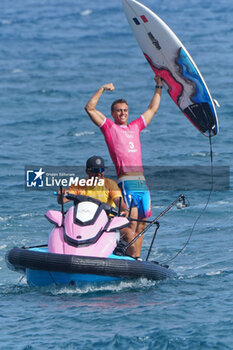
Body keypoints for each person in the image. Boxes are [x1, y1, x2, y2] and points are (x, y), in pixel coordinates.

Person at [84, 75, 162, 258]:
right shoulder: (110, 128)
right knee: (131, 224)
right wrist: (102, 89)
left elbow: (152, 108)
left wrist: (158, 86)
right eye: (119, 111)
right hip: (126, 182)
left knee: (143, 224)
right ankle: (127, 257)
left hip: (142, 183)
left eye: (125, 110)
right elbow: (89, 108)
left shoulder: (135, 127)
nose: (123, 113)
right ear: (112, 113)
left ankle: (136, 259)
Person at [57, 155, 137, 257]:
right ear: (87, 171)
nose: (99, 173)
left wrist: (124, 209)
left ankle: (134, 260)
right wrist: (61, 195)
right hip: (81, 224)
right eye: (95, 170)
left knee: (129, 233)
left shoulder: (110, 184)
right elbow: (62, 200)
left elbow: (118, 200)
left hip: (106, 225)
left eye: (101, 170)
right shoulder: (79, 185)